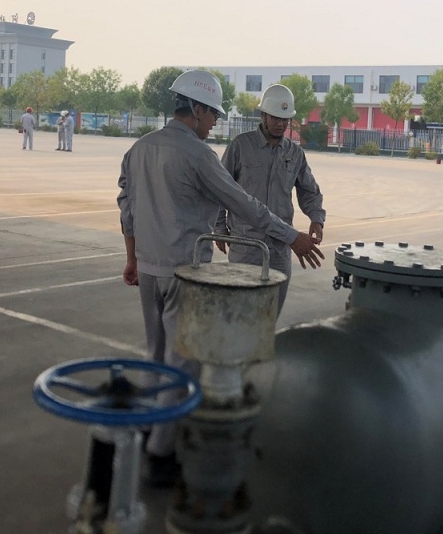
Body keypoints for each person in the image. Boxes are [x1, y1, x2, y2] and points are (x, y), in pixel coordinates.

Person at [117, 69, 324, 488]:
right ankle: (161, 453)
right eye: (212, 114)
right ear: (195, 109)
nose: (213, 122)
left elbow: (127, 206)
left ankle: (146, 431)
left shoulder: (140, 148)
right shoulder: (199, 154)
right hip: (184, 269)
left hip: (151, 268)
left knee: (155, 353)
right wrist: (292, 237)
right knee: (184, 360)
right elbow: (244, 204)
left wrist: (132, 257)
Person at [215, 84, 324, 313]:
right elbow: (220, 190)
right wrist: (219, 228)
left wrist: (316, 218)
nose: (280, 124)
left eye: (285, 119)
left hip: (279, 249)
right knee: (241, 312)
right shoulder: (241, 147)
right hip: (246, 246)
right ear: (263, 115)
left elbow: (309, 191)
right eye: (275, 118)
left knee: (270, 314)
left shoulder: (294, 153)